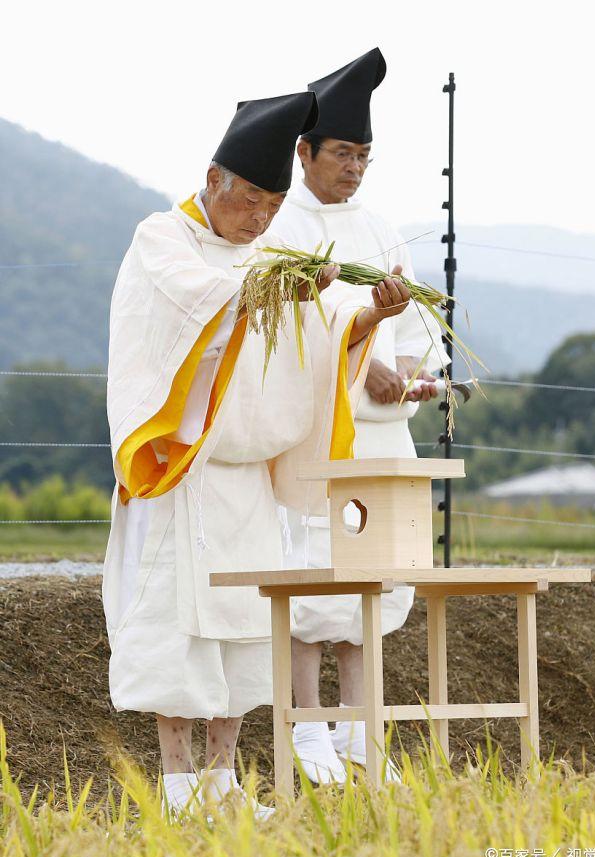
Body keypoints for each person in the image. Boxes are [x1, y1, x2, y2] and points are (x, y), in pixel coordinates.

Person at [103, 90, 411, 816]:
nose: (262, 218)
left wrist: (370, 312)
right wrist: (263, 289)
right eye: (251, 201)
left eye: (274, 204)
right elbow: (195, 302)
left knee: (245, 632)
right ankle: (178, 784)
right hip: (178, 468)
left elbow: (324, 323)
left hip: (244, 479)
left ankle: (224, 781)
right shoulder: (162, 238)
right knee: (177, 631)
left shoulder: (265, 254)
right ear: (215, 181)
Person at [271, 49, 450, 784]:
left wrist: (411, 375)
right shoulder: (279, 224)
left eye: (364, 155)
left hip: (384, 437)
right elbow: (274, 332)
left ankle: (358, 730)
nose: (354, 167)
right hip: (321, 429)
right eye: (343, 152)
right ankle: (308, 729)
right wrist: (351, 358)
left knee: (378, 578)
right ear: (305, 151)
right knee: (316, 576)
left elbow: (414, 336)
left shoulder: (380, 228)